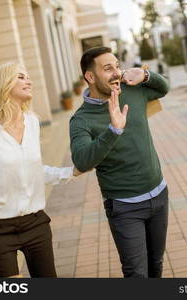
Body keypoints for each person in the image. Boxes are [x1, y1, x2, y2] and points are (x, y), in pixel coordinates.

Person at [0, 63, 80, 278]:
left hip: (35, 223)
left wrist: (70, 172)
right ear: (3, 85)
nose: (29, 81)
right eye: (21, 77)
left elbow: (33, 170)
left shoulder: (32, 122)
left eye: (28, 77)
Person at [69, 46, 170, 278]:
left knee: (156, 265)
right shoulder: (81, 120)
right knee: (136, 273)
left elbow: (163, 88)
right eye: (107, 68)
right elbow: (82, 160)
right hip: (124, 206)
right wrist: (113, 130)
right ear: (90, 77)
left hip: (159, 194)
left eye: (117, 65)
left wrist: (145, 75)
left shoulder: (132, 91)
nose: (116, 72)